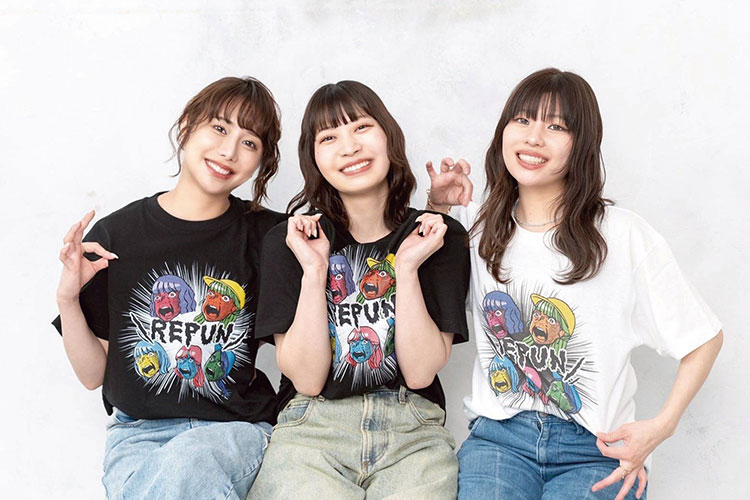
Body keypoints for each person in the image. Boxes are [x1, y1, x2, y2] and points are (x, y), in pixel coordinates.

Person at [427, 68, 723, 500]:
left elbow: (704, 338)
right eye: (522, 120)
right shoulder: (479, 228)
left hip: (596, 451)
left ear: (581, 143)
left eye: (556, 126)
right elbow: (426, 288)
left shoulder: (622, 236)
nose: (533, 138)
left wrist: (661, 428)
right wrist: (438, 207)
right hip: (499, 441)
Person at [53, 76, 286, 500]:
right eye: (219, 128)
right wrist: (68, 299)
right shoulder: (118, 235)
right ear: (187, 126)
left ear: (261, 162)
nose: (229, 151)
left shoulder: (268, 237)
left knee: (189, 462)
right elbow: (92, 376)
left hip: (236, 431)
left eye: (249, 142)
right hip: (138, 438)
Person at [248, 80, 470, 499]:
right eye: (328, 137)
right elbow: (307, 378)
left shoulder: (438, 236)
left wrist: (407, 268)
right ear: (313, 157)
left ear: (389, 136)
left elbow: (421, 371)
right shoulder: (290, 241)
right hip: (313, 431)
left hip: (412, 433)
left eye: (361, 127)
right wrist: (314, 270)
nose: (349, 147)